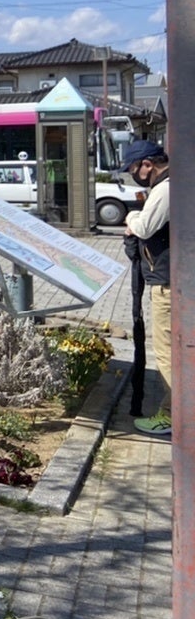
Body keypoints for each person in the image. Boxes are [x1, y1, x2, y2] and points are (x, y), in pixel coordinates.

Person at [122, 140, 171, 436]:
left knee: (166, 352)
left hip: (166, 284)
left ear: (148, 165)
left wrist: (131, 217)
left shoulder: (165, 189)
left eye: (133, 170)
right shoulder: (173, 183)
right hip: (170, 279)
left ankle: (172, 415)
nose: (133, 176)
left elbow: (144, 227)